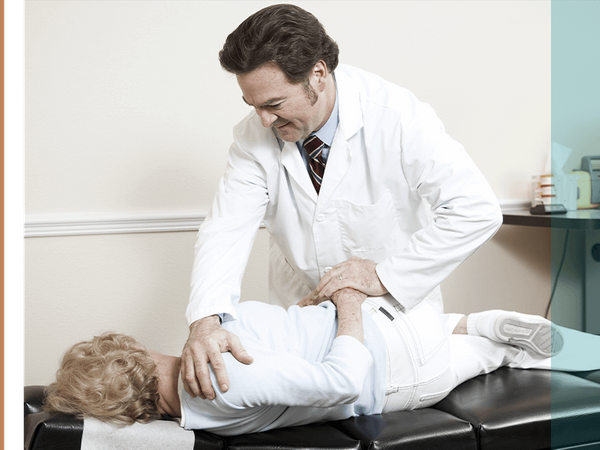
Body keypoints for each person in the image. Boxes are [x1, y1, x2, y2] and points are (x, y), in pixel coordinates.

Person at [182, 4, 505, 401]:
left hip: (390, 314)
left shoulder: (396, 116)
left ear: (318, 74)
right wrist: (205, 320)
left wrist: (384, 275)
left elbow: (477, 209)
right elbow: (225, 230)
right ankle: (471, 329)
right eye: (254, 105)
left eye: (275, 104)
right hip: (303, 318)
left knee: (401, 381)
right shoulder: (254, 138)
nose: (264, 120)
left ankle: (490, 340)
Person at [45, 291, 599, 436]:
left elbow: (284, 345)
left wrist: (327, 312)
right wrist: (351, 307)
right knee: (495, 350)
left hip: (389, 341)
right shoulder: (219, 380)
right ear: (132, 354)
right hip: (396, 370)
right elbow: (340, 382)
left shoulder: (205, 354)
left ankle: (483, 328)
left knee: (473, 338)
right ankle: (490, 332)